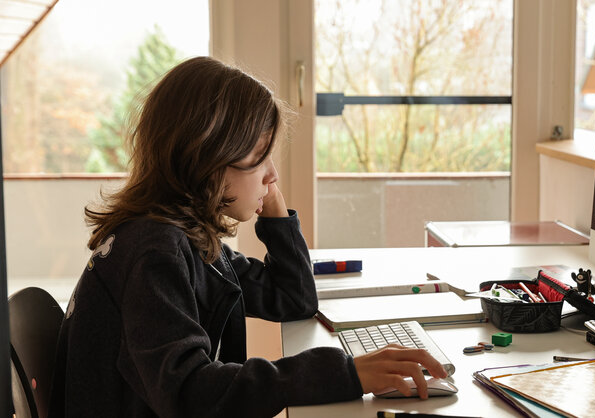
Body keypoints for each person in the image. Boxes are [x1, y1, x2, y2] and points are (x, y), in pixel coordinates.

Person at [50, 56, 447, 418]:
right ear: (208, 156)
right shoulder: (154, 252)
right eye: (260, 157)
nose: (272, 173)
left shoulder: (187, 239)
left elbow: (293, 299)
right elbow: (188, 391)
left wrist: (272, 205)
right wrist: (344, 372)